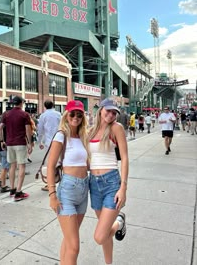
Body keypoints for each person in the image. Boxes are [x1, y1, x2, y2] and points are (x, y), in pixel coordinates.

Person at [47, 100, 90, 265]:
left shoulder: (83, 136)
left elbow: (86, 164)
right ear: (66, 115)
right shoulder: (61, 135)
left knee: (69, 239)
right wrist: (52, 195)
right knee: (74, 247)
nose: (76, 117)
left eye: (79, 114)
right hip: (67, 191)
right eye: (72, 114)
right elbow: (50, 166)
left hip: (83, 191)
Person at [88, 98, 129, 265]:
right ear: (101, 109)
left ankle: (119, 222)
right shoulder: (91, 130)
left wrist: (123, 188)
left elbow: (125, 158)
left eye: (114, 113)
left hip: (111, 183)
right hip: (94, 184)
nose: (111, 115)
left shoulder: (116, 128)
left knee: (100, 236)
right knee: (104, 233)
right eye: (108, 111)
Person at [0, 95, 33, 201]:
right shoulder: (24, 114)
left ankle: (12, 189)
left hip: (9, 143)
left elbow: (0, 127)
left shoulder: (6, 114)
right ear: (21, 103)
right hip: (20, 143)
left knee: (12, 166)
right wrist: (30, 143)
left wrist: (2, 140)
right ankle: (18, 192)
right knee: (22, 166)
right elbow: (28, 130)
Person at [37, 99, 61, 191]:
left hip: (49, 142)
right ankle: (60, 179)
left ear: (45, 106)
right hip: (59, 139)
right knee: (60, 161)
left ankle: (50, 184)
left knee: (50, 163)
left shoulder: (43, 116)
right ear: (53, 105)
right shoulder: (58, 114)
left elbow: (40, 130)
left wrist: (40, 142)